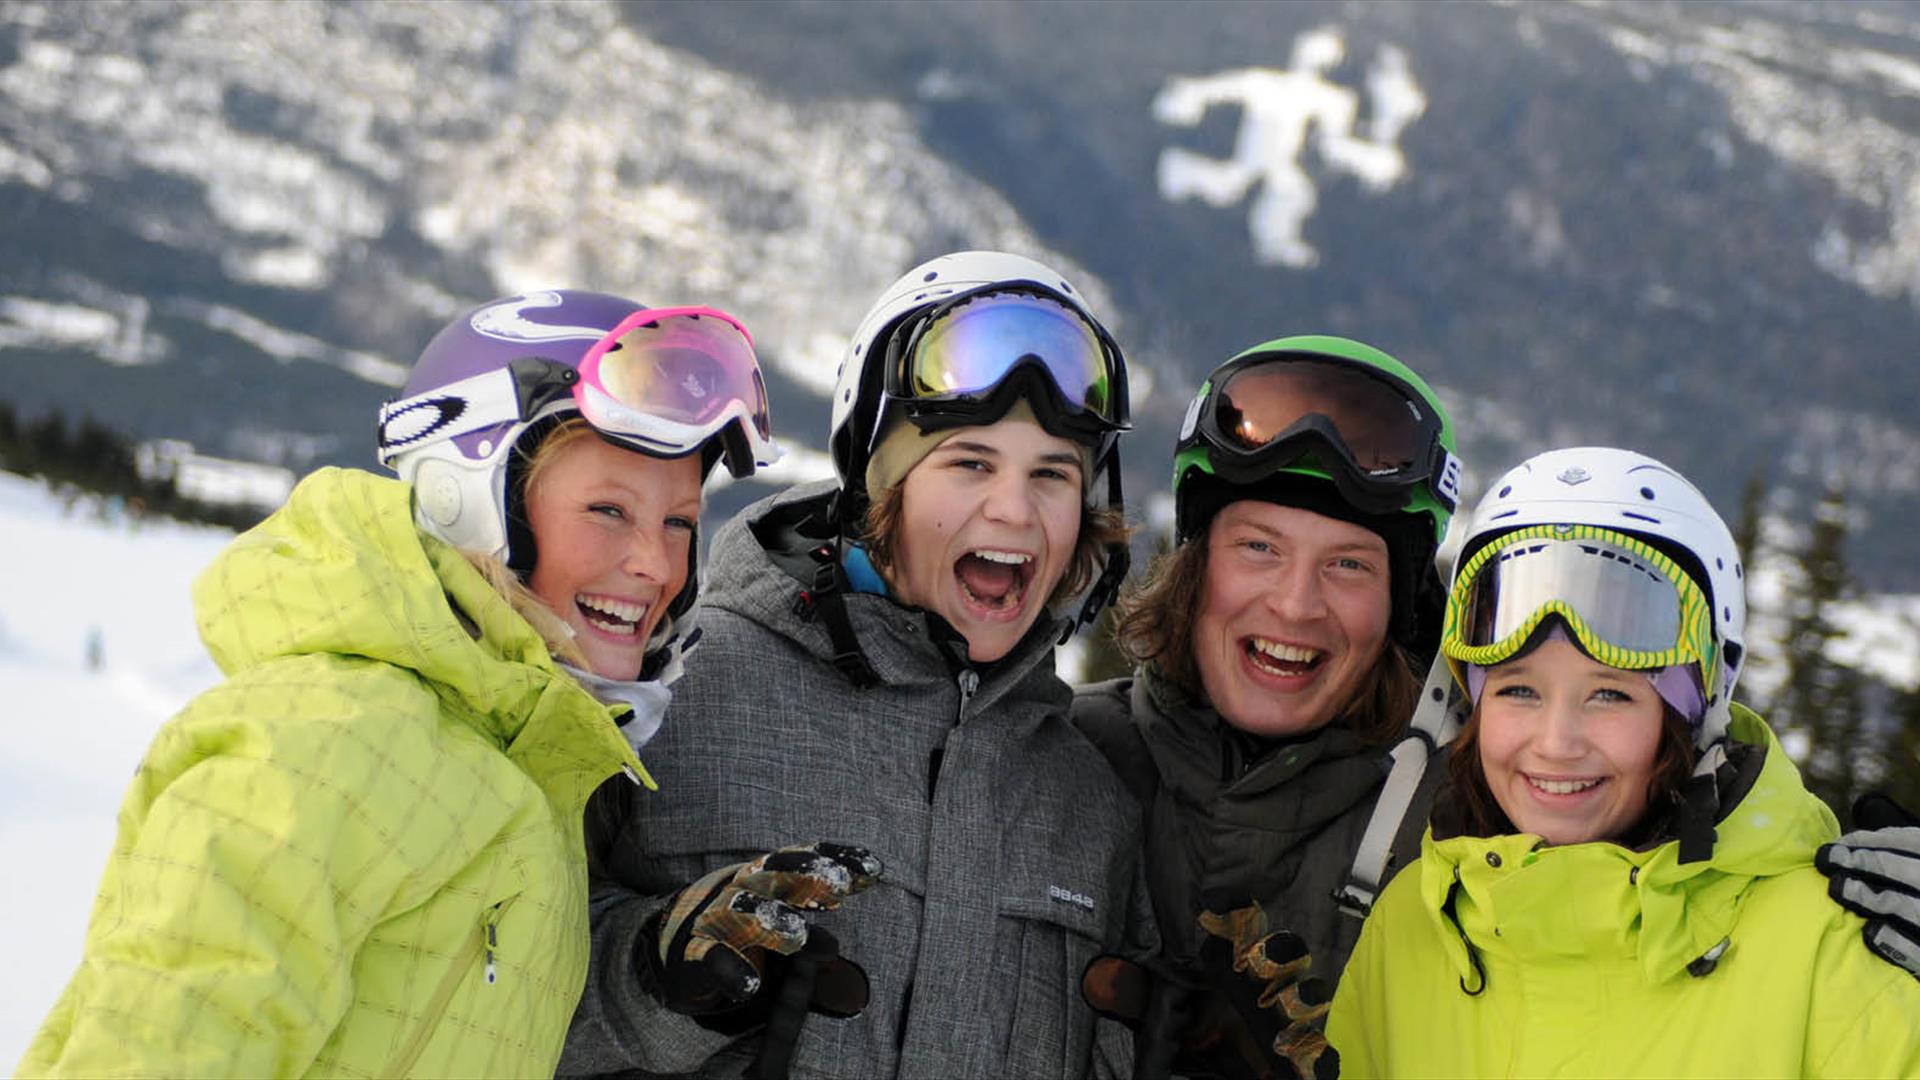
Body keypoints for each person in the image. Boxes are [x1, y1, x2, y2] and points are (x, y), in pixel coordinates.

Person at [19, 290, 789, 1077]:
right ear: (469, 499)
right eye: (607, 510)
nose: (656, 565)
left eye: (680, 523)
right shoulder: (323, 745)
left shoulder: (531, 774)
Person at [561, 251, 1149, 1078]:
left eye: (1053, 476)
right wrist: (652, 977)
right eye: (969, 463)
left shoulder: (1091, 806)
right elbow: (478, 996)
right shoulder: (669, 694)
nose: (1015, 509)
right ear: (882, 485)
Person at [1326, 446, 1920, 1076]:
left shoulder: (1834, 955)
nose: (1556, 742)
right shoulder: (1411, 932)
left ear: (1690, 715)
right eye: (1518, 690)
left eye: (1610, 693)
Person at [1073, 336, 1462, 1079]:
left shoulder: (1461, 833)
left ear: (1400, 608)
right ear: (1196, 565)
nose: (1295, 603)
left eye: (1349, 564)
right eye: (1259, 547)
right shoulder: (1056, 755)